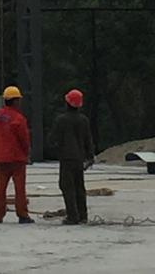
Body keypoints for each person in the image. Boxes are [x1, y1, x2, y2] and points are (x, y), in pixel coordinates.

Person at [0, 85, 34, 224]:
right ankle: (22, 215)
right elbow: (24, 139)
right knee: (20, 189)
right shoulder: (18, 118)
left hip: (1, 158)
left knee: (0, 188)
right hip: (17, 159)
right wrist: (27, 153)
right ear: (16, 101)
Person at [48, 88, 95, 225]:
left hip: (67, 158)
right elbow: (88, 140)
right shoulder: (84, 120)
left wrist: (56, 148)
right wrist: (90, 156)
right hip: (79, 158)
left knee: (67, 187)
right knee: (79, 186)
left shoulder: (61, 120)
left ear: (67, 103)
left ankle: (72, 216)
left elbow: (52, 139)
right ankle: (83, 215)